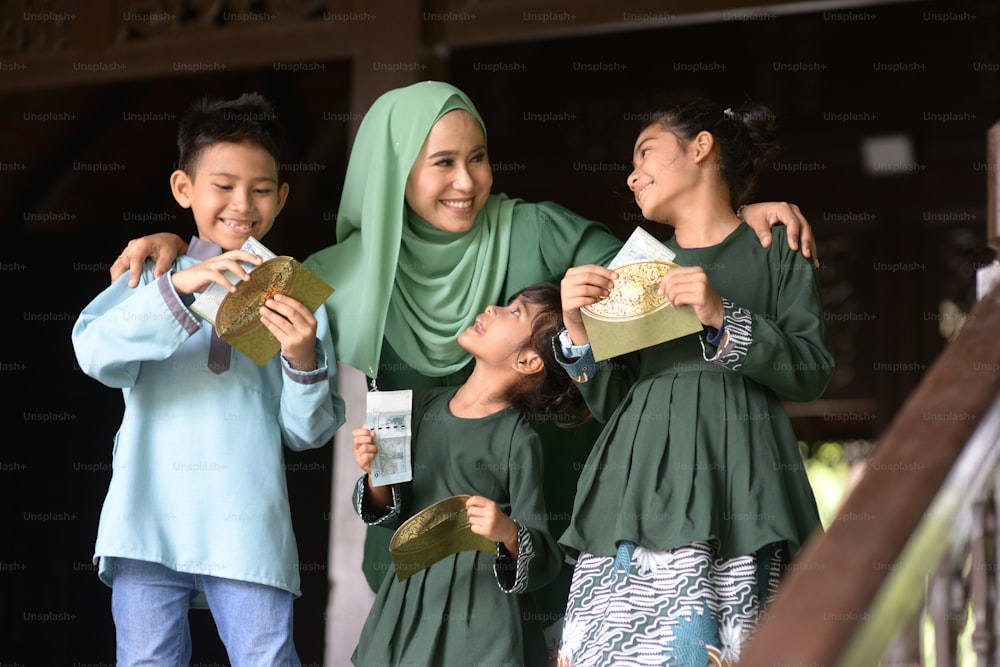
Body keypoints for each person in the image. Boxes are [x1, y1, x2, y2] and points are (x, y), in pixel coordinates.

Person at [107, 80, 819, 647]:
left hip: (540, 511)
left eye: (477, 157)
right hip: (416, 514)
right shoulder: (331, 275)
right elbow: (232, 287)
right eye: (441, 162)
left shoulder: (534, 228)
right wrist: (171, 245)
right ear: (394, 168)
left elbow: (659, 276)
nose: (466, 181)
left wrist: (737, 212)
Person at [553, 98, 834, 665]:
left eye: (646, 151)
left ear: (700, 146)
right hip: (632, 482)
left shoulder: (774, 244)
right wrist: (577, 328)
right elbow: (612, 398)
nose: (632, 174)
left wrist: (722, 314)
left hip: (737, 472)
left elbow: (810, 371)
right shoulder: (635, 266)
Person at [72, 93, 346, 666]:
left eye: (262, 189)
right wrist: (181, 287)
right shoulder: (153, 270)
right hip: (146, 516)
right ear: (183, 189)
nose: (242, 204)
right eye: (222, 185)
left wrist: (302, 355)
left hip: (246, 520)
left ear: (282, 197)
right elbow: (95, 353)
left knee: (267, 658)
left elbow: (308, 433)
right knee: (146, 659)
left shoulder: (298, 299)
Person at [350, 282, 581, 666]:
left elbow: (541, 548)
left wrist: (505, 530)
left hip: (480, 607)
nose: (493, 308)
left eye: (515, 312)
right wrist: (375, 470)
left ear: (528, 361)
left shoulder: (518, 438)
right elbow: (392, 514)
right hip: (410, 594)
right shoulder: (420, 407)